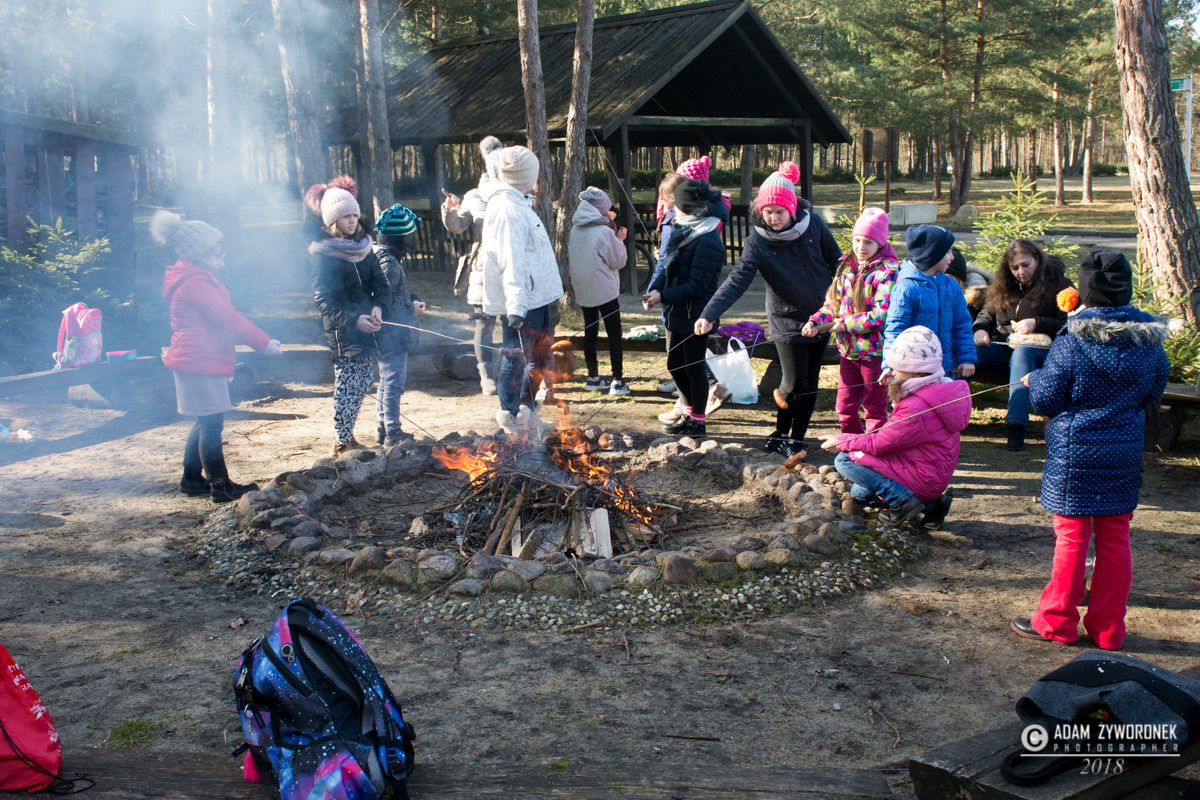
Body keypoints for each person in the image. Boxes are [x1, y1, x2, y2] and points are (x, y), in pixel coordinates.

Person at [1012, 251, 1169, 651]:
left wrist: (1035, 380)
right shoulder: (1149, 342)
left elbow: (1045, 400)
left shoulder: (1072, 340)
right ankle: (1108, 630)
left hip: (1076, 453)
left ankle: (1056, 622)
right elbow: (1154, 391)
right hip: (1123, 450)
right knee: (1116, 539)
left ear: (1083, 292)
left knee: (1072, 538)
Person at [696, 163, 841, 455]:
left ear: (792, 209)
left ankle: (797, 438)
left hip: (821, 316)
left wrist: (841, 299)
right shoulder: (757, 242)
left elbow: (837, 262)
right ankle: (781, 431)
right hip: (786, 319)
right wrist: (709, 313)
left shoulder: (813, 225)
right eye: (768, 212)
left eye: (780, 212)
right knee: (793, 381)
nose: (774, 218)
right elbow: (737, 281)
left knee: (810, 381)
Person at [153, 210, 282, 503]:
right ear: (199, 254)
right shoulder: (195, 283)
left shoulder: (196, 276)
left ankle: (191, 479)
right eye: (217, 256)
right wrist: (263, 343)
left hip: (197, 360)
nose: (222, 261)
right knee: (211, 424)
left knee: (205, 420)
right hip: (198, 362)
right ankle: (220, 486)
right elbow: (228, 318)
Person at [824, 326, 970, 529]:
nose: (892, 372)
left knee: (844, 459)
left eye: (897, 367)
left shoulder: (916, 406)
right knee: (859, 492)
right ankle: (933, 505)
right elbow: (896, 438)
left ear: (914, 369)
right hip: (930, 473)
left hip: (923, 477)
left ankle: (903, 503)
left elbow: (880, 443)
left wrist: (841, 441)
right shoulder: (938, 389)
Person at [478, 145, 564, 433]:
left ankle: (527, 413)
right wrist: (516, 307)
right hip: (522, 301)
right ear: (526, 177)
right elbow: (511, 260)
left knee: (537, 357)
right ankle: (511, 416)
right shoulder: (507, 209)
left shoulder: (518, 201)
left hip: (535, 297)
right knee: (516, 360)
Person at [306, 176, 392, 456]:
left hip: (367, 325)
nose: (353, 221)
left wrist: (379, 306)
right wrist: (354, 319)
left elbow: (380, 282)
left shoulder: (364, 248)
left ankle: (345, 437)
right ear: (333, 220)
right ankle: (342, 441)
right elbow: (323, 299)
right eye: (346, 216)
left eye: (355, 215)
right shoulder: (323, 254)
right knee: (347, 384)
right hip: (343, 330)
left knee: (365, 381)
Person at [972, 240, 1075, 451]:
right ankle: (948, 416)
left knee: (1022, 354)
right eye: (1015, 267)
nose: (1021, 272)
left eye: (1025, 265)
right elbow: (987, 315)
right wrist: (980, 329)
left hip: (1042, 354)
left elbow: (1070, 325)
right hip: (1004, 349)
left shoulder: (1059, 285)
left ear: (1037, 259)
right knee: (966, 352)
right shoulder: (1002, 286)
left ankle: (1016, 426)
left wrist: (1037, 323)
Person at [645, 178, 728, 437]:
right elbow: (667, 266)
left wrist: (663, 296)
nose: (672, 210)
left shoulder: (708, 239)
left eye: (676, 206)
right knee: (675, 364)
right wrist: (655, 289)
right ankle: (687, 411)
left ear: (689, 209)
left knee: (693, 367)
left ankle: (698, 422)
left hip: (697, 315)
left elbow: (697, 287)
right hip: (676, 310)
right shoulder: (682, 229)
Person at [804, 207, 898, 436]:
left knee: (874, 408)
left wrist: (844, 324)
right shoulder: (846, 267)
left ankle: (874, 449)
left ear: (880, 243)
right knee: (844, 407)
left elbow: (881, 315)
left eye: (868, 242)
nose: (861, 247)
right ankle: (850, 445)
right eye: (857, 240)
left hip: (874, 353)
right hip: (848, 351)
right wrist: (815, 322)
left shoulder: (888, 271)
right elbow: (832, 306)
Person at [443, 136, 505, 395]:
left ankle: (512, 371)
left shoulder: (513, 192)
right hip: (483, 265)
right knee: (484, 323)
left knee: (514, 321)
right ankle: (486, 375)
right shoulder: (474, 196)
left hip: (510, 265)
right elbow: (457, 227)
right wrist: (449, 210)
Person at [883, 225, 976, 382]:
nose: (952, 257)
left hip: (946, 368)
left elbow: (962, 325)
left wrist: (966, 357)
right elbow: (895, 330)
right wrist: (890, 365)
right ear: (932, 254)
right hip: (913, 371)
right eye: (948, 252)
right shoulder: (906, 288)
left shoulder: (951, 286)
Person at [372, 203, 426, 446]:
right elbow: (387, 304)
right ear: (398, 237)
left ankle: (383, 427)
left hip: (388, 334)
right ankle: (393, 432)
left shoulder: (384, 258)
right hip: (391, 335)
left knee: (386, 381)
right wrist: (411, 309)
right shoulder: (389, 263)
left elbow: (398, 293)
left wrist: (412, 298)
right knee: (393, 383)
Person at [568, 186, 629, 396]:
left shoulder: (576, 228)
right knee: (614, 333)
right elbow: (617, 261)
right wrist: (619, 240)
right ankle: (617, 380)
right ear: (600, 208)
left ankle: (593, 377)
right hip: (604, 289)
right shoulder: (604, 231)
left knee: (590, 331)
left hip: (584, 287)